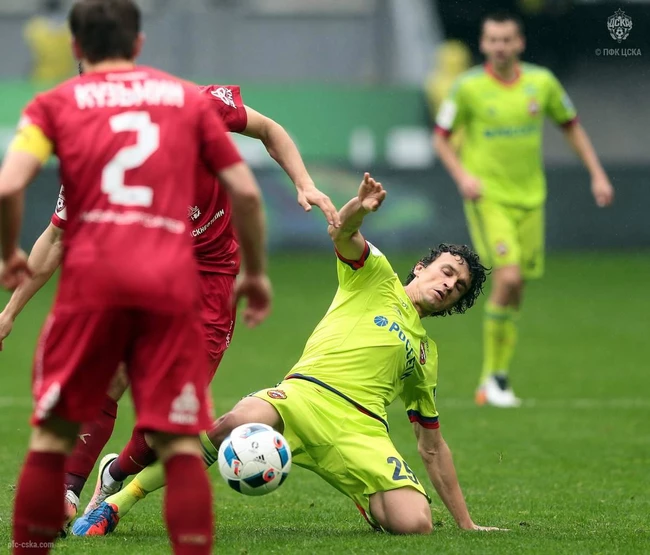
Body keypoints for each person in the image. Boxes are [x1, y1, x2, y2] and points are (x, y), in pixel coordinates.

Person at [79, 172, 503, 536]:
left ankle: (367, 497)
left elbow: (432, 446)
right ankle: (118, 502)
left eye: (458, 288)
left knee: (415, 524)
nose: (449, 285)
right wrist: (360, 207)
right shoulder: (377, 278)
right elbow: (343, 233)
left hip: (362, 431)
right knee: (234, 423)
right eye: (447, 272)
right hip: (302, 397)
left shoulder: (426, 355)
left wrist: (466, 523)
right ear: (422, 268)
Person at [0, 78, 337, 533]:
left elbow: (269, 130)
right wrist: (9, 313)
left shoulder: (200, 108)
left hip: (211, 277)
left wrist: (305, 183)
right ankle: (66, 491)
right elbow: (57, 239)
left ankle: (115, 473)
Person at [0, 0, 270, 553]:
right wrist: (259, 272)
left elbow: (10, 190)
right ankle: (80, 490)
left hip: (105, 285)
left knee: (54, 432)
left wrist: (7, 260)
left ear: (76, 48)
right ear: (139, 45)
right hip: (164, 286)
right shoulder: (180, 99)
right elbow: (245, 191)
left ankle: (60, 507)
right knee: (178, 435)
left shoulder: (57, 109)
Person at [433, 12, 614, 408]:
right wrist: (463, 176)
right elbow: (441, 137)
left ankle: (496, 378)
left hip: (531, 198)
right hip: (489, 198)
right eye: (493, 40)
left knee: (517, 288)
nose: (500, 46)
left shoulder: (542, 82)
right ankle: (493, 378)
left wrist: (597, 174)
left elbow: (571, 125)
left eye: (507, 39)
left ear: (520, 43)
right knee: (509, 277)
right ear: (483, 44)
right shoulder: (468, 87)